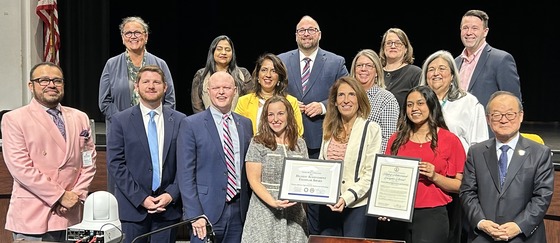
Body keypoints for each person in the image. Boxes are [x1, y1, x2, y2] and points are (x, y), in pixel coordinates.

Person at [1, 62, 96, 241]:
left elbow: (88, 161)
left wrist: (76, 195)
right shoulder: (14, 119)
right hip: (33, 217)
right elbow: (21, 168)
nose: (51, 85)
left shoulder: (80, 117)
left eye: (57, 81)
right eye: (44, 80)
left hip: (71, 215)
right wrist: (60, 196)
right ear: (31, 85)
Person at [278, 15, 349, 235]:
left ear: (319, 34)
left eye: (311, 29)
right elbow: (272, 92)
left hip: (322, 140)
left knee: (318, 200)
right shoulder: (281, 60)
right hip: (289, 141)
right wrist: (287, 104)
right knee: (290, 198)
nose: (306, 33)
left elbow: (348, 94)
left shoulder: (336, 62)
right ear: (296, 35)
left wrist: (323, 106)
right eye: (302, 30)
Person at [460, 91, 554, 243]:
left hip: (524, 236)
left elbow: (542, 197)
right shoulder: (476, 152)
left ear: (521, 116)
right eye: (497, 115)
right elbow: (467, 192)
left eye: (510, 114)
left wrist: (518, 226)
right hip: (484, 236)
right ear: (488, 119)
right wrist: (481, 222)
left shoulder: (540, 153)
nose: (503, 120)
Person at [107, 65, 186, 243]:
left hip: (168, 209)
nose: (151, 86)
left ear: (165, 87)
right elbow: (116, 164)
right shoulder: (120, 121)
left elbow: (186, 164)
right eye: (146, 82)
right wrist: (141, 198)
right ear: (137, 86)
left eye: (157, 82)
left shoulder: (181, 121)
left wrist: (171, 194)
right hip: (133, 209)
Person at [99, 16, 176, 193]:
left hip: (154, 129)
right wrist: (123, 123)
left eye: (137, 32)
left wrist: (161, 122)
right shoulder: (111, 64)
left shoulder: (160, 64)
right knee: (122, 181)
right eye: (128, 33)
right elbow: (104, 101)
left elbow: (170, 99)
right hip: (121, 133)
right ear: (122, 37)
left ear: (146, 36)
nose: (133, 36)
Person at [420, 50, 489, 243]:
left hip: (455, 179)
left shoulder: (468, 102)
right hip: (423, 181)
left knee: (452, 233)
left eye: (442, 68)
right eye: (431, 69)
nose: (436, 73)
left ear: (452, 74)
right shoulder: (417, 103)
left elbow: (479, 144)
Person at [177, 71, 253, 243]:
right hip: (205, 213)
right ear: (208, 91)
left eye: (226, 88)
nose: (221, 92)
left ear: (234, 91)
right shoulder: (191, 124)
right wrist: (195, 214)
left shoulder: (245, 124)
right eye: (216, 88)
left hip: (239, 212)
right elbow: (185, 174)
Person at [383, 86, 466, 243]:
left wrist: (435, 176)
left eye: (420, 103)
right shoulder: (395, 140)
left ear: (431, 105)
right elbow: (385, 180)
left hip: (432, 215)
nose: (414, 108)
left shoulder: (450, 140)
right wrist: (381, 206)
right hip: (397, 213)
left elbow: (460, 185)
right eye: (409, 105)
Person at [316, 77, 382, 237]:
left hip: (357, 206)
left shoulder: (371, 129)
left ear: (359, 100)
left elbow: (370, 174)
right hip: (328, 205)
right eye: (341, 95)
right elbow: (321, 166)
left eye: (352, 95)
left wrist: (346, 198)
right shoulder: (328, 128)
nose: (346, 100)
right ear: (335, 102)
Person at [241, 96, 309, 243]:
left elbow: (305, 179)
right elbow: (254, 180)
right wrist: (273, 202)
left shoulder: (300, 144)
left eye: (280, 113)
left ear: (288, 115)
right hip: (264, 212)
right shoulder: (257, 143)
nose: (275, 119)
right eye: (270, 114)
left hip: (294, 214)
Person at [454, 10, 522, 109]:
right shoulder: (455, 63)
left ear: (485, 32)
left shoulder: (501, 60)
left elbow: (513, 103)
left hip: (486, 123)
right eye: (465, 28)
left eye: (475, 28)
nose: (469, 32)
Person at [235, 53, 303, 136]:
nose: (268, 75)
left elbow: (297, 132)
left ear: (279, 77)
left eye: (273, 71)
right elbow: (238, 131)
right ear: (257, 75)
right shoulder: (244, 101)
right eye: (264, 70)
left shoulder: (291, 102)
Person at [349, 49, 399, 153]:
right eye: (359, 65)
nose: (363, 69)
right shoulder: (346, 96)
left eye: (369, 66)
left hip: (370, 159)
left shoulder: (386, 99)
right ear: (354, 70)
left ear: (377, 72)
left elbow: (387, 139)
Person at [191, 35, 253, 114]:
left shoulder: (243, 74)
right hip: (208, 124)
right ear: (212, 51)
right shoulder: (201, 75)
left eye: (227, 50)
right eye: (219, 49)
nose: (223, 53)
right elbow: (197, 107)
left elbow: (250, 102)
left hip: (236, 123)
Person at [379, 27, 422, 107]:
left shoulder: (415, 73)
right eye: (389, 43)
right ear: (383, 48)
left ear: (406, 49)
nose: (393, 46)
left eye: (398, 43)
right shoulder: (375, 73)